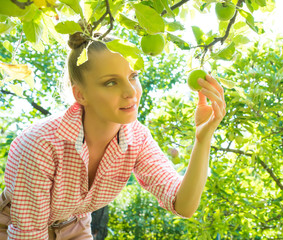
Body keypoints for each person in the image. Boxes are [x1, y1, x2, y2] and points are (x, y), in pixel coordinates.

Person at [0, 31, 226, 239]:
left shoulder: (137, 139)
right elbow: (27, 232)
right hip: (14, 226)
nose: (130, 92)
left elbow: (183, 204)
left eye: (133, 76)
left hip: (73, 227)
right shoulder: (41, 143)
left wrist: (202, 138)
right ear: (81, 94)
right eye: (111, 82)